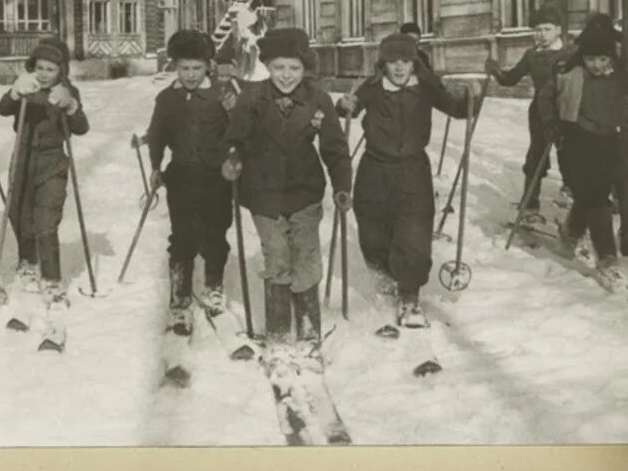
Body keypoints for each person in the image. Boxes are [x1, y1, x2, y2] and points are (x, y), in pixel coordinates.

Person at [222, 27, 351, 365]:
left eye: (294, 68)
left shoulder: (318, 99)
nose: (286, 75)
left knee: (306, 256)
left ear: (304, 68)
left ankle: (308, 332)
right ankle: (279, 333)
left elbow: (335, 149)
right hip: (262, 192)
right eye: (279, 67)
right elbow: (236, 138)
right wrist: (233, 158)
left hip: (304, 191)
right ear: (267, 66)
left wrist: (342, 185)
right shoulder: (252, 98)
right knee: (278, 256)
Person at [337, 33, 481, 327]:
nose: (400, 67)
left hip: (413, 170)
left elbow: (456, 109)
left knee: (415, 233)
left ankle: (410, 296)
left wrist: (472, 98)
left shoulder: (425, 87)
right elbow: (350, 107)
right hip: (375, 169)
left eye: (405, 61)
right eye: (393, 62)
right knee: (373, 230)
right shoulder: (373, 87)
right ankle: (383, 277)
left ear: (414, 62)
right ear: (384, 64)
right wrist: (344, 105)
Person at [540, 22, 628, 290]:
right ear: (582, 56)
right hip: (575, 142)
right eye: (591, 59)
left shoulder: (619, 76)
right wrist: (551, 123)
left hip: (608, 142)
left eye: (602, 59)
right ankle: (607, 260)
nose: (596, 65)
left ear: (611, 57)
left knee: (591, 196)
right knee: (597, 199)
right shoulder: (568, 73)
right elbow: (545, 98)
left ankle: (571, 233)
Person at [146, 30, 234, 331]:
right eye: (184, 68)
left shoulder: (222, 95)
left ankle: (214, 288)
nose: (191, 75)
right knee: (182, 237)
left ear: (208, 66)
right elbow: (157, 134)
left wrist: (235, 157)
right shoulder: (167, 98)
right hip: (181, 176)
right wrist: (155, 166)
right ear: (175, 66)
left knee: (215, 235)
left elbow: (239, 132)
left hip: (217, 178)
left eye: (197, 68)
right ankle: (180, 300)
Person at [0, 37, 90, 307]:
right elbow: (3, 110)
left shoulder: (67, 91)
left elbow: (82, 128)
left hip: (52, 162)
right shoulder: (26, 86)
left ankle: (51, 279)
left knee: (46, 221)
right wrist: (15, 93)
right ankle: (28, 261)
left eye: (51, 69)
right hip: (22, 158)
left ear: (61, 70)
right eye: (40, 67)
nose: (44, 74)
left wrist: (70, 106)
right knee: (18, 213)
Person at [484, 6, 573, 212]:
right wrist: (496, 71)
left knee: (569, 156)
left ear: (558, 30)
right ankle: (530, 205)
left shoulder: (570, 53)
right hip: (539, 113)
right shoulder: (531, 55)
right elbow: (511, 79)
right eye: (537, 30)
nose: (542, 34)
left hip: (566, 112)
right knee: (536, 156)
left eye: (547, 29)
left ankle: (572, 200)